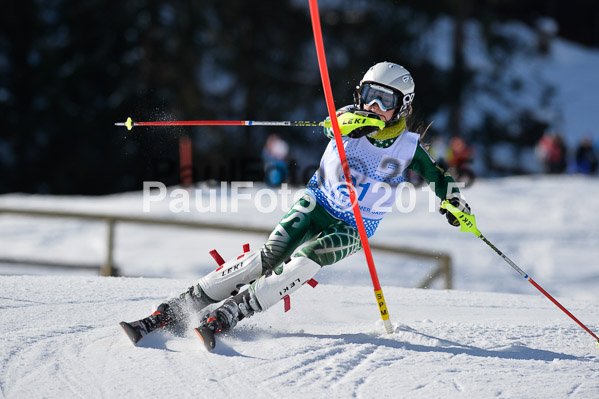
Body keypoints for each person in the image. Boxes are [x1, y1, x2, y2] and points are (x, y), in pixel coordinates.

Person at [120, 62, 471, 346]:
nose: (374, 107)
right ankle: (178, 307)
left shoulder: (408, 147)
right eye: (369, 96)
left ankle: (233, 312)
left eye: (385, 101)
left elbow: (439, 177)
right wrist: (348, 123)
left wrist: (454, 201)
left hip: (355, 226)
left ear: (402, 107)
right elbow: (336, 126)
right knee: (269, 256)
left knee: (308, 259)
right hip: (317, 201)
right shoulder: (348, 120)